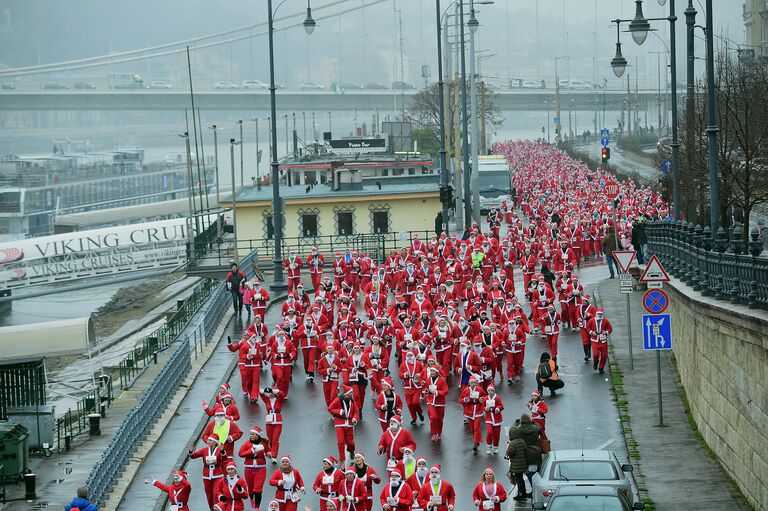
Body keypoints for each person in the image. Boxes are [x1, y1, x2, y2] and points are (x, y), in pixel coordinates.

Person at [238, 426, 270, 510]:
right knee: (251, 489)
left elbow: (268, 451)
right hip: (249, 468)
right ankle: (251, 498)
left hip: (261, 468)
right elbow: (240, 454)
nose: (251, 436)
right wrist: (251, 451)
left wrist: (269, 454)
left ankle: (257, 507)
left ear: (257, 435)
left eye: (253, 434)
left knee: (258, 489)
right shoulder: (247, 444)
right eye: (250, 434)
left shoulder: (263, 443)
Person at [328, 386, 361, 466]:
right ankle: (342, 459)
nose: (353, 394)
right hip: (339, 423)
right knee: (341, 442)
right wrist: (339, 411)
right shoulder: (338, 400)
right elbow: (330, 409)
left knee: (350, 442)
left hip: (349, 424)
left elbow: (356, 411)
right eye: (351, 393)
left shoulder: (352, 401)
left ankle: (352, 451)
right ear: (347, 394)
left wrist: (354, 418)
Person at [460, 376, 487, 453]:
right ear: (469, 383)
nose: (473, 384)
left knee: (476, 427)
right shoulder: (466, 390)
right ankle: (477, 441)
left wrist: (482, 399)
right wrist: (465, 399)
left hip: (478, 410)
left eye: (474, 383)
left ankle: (475, 443)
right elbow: (460, 400)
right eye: (471, 383)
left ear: (476, 383)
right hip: (469, 411)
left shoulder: (479, 389)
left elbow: (485, 397)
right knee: (472, 428)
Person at [587, 307, 613, 374]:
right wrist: (591, 332)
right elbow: (588, 327)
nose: (600, 315)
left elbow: (610, 329)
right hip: (594, 340)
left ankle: (601, 367)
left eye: (601, 314)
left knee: (604, 355)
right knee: (596, 354)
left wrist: (606, 332)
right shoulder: (592, 320)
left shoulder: (606, 321)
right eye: (598, 314)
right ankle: (596, 363)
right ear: (596, 314)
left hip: (603, 340)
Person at [505, 429, 529, 502]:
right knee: (521, 479)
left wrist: (508, 449)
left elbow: (511, 453)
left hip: (516, 464)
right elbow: (526, 450)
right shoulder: (522, 441)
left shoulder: (513, 443)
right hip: (523, 463)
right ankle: (523, 492)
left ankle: (521, 494)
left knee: (519, 480)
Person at [483, 385, 504, 454]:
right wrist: (485, 409)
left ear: (494, 391)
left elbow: (501, 406)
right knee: (489, 432)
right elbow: (483, 406)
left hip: (497, 418)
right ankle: (489, 446)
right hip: (489, 417)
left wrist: (498, 408)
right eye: (489, 390)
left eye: (492, 390)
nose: (490, 392)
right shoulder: (486, 398)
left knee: (496, 434)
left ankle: (495, 447)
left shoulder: (497, 398)